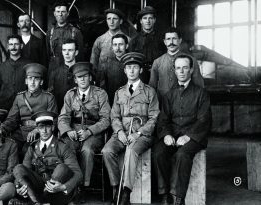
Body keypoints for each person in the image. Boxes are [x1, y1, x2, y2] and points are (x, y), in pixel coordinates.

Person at [101, 52, 160, 205]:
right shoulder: (119, 92)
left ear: (140, 70)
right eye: (129, 67)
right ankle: (116, 188)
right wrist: (119, 132)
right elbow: (114, 117)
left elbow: (154, 118)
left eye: (135, 67)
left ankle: (125, 193)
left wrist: (138, 133)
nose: (132, 70)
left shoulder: (149, 92)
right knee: (107, 151)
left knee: (132, 150)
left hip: (142, 135)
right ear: (124, 71)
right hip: (122, 134)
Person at [153, 54, 211, 205]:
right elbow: (163, 119)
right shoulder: (169, 95)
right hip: (173, 135)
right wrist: (166, 135)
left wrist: (188, 136)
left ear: (191, 70)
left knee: (182, 155)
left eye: (185, 68)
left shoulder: (201, 93)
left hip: (194, 137)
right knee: (159, 153)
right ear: (174, 70)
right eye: (178, 68)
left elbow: (204, 120)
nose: (182, 71)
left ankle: (178, 199)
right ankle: (165, 195)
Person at [58, 62, 111, 196]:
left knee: (87, 150)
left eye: (85, 76)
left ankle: (83, 185)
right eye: (78, 77)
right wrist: (68, 130)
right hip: (74, 132)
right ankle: (69, 184)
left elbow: (106, 119)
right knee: (67, 150)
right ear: (75, 80)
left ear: (90, 78)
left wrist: (89, 131)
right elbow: (63, 117)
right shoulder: (70, 95)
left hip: (93, 133)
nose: (82, 79)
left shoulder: (100, 94)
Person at [12, 111, 82, 205]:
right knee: (18, 168)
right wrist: (18, 187)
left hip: (58, 191)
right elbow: (24, 171)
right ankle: (36, 203)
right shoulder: (32, 147)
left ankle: (38, 201)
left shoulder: (63, 147)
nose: (44, 131)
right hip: (40, 187)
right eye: (41, 127)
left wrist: (63, 187)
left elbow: (78, 174)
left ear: (52, 127)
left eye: (47, 126)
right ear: (37, 129)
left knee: (62, 168)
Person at [1, 63, 58, 159]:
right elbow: (12, 119)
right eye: (30, 78)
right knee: (7, 147)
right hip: (21, 132)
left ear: (41, 82)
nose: (32, 82)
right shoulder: (20, 97)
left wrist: (37, 130)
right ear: (26, 81)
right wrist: (2, 128)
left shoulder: (49, 98)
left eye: (36, 79)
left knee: (27, 151)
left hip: (41, 132)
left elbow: (54, 121)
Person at [149, 27, 204, 103]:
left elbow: (199, 86)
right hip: (163, 105)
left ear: (180, 40)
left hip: (185, 104)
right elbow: (152, 88)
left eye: (174, 38)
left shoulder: (191, 60)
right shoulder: (157, 62)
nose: (171, 42)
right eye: (168, 39)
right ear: (164, 42)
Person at [90, 8, 130, 83]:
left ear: (120, 21)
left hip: (123, 81)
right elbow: (93, 64)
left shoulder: (128, 41)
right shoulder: (100, 40)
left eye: (114, 19)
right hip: (102, 82)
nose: (111, 22)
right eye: (109, 19)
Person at [0, 34, 31, 110]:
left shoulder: (29, 66)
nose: (13, 47)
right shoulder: (0, 68)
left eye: (16, 44)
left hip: (24, 107)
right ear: (8, 47)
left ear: (21, 46)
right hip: (5, 108)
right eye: (11, 44)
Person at [129, 6, 166, 83]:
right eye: (145, 18)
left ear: (154, 20)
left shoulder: (162, 39)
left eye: (150, 18)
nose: (148, 21)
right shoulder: (134, 41)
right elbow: (131, 61)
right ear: (141, 21)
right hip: (140, 76)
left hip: (159, 75)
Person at [46, 0, 85, 68]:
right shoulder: (50, 32)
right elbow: (47, 54)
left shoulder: (76, 32)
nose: (60, 14)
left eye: (63, 12)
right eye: (58, 12)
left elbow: (80, 56)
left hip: (70, 68)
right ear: (54, 13)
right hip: (54, 69)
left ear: (67, 13)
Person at [48, 38, 78, 111]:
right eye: (64, 50)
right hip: (59, 112)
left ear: (76, 52)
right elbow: (50, 96)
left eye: (70, 50)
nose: (67, 53)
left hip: (78, 114)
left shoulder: (81, 72)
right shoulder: (55, 73)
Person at [99, 33, 129, 105]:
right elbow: (101, 89)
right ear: (112, 47)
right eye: (115, 45)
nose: (118, 48)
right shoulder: (105, 65)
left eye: (121, 44)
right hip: (112, 104)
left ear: (126, 46)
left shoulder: (133, 64)